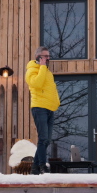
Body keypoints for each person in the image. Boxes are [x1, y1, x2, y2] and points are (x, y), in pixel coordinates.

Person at [25, 46, 61, 175]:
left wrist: (57, 102)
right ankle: (42, 166)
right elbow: (37, 83)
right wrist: (42, 67)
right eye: (45, 56)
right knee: (43, 138)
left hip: (50, 108)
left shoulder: (47, 71)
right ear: (38, 57)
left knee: (46, 140)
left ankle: (35, 168)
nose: (48, 58)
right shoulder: (32, 70)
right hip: (39, 107)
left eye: (48, 56)